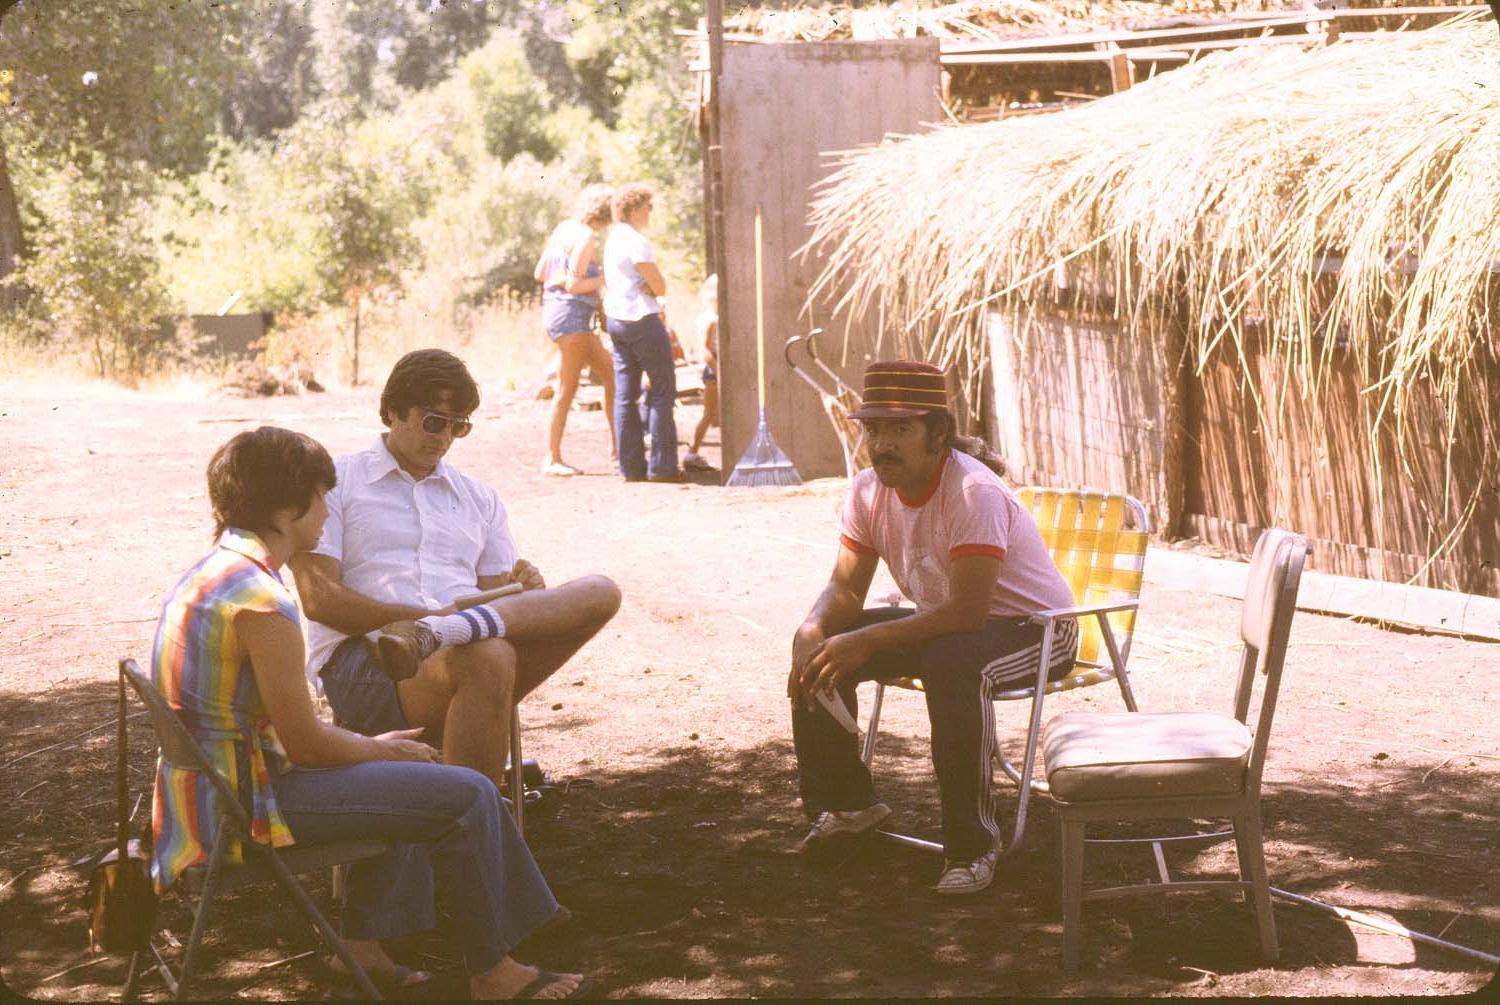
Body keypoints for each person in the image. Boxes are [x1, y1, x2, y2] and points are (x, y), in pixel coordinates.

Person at [149, 426, 588, 999]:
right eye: (322, 497)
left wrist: (376, 752)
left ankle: (364, 946)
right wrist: (379, 748)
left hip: (208, 788)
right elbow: (305, 747)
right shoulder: (262, 602)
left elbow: (285, 734)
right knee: (464, 790)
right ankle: (493, 971)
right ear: (289, 507)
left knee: (408, 776)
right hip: (240, 804)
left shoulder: (217, 571)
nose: (329, 511)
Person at [786, 361, 1080, 896]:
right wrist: (816, 625)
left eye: (900, 429)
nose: (883, 444)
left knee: (950, 663)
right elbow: (848, 590)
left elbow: (968, 613)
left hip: (1036, 631)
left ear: (938, 434)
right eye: (874, 429)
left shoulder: (973, 493)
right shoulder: (867, 491)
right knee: (818, 648)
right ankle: (848, 807)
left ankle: (973, 845)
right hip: (946, 627)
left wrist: (868, 639)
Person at [288, 349, 621, 802]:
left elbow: (495, 599)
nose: (445, 437)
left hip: (467, 654)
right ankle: (480, 828)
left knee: (601, 591)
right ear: (391, 412)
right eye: (433, 422)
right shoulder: (338, 481)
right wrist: (420, 617)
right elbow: (319, 598)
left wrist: (522, 590)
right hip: (367, 664)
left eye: (458, 426)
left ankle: (443, 635)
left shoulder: (478, 497)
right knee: (488, 656)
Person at [534, 184, 617, 476]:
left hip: (558, 314)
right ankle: (552, 458)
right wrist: (605, 278)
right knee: (567, 390)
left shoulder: (563, 229)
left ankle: (616, 447)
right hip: (572, 317)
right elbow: (574, 285)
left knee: (610, 374)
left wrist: (564, 277)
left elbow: (540, 273)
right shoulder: (587, 237)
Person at [601, 182, 680, 482]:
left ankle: (630, 467)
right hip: (641, 318)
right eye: (648, 206)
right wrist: (654, 286)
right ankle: (662, 467)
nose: (650, 212)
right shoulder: (636, 241)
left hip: (617, 320)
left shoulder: (613, 239)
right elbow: (659, 286)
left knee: (625, 395)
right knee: (662, 391)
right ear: (634, 209)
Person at [683, 274, 719, 472]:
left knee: (712, 413)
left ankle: (693, 451)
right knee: (709, 413)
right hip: (714, 370)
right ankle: (692, 451)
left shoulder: (709, 317)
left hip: (715, 369)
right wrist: (718, 372)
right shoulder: (711, 319)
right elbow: (705, 351)